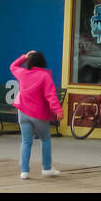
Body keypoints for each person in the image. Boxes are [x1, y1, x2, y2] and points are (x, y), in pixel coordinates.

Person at [10, 50, 63, 179]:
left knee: (26, 141)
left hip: (22, 111)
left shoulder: (22, 73)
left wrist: (24, 56)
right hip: (38, 114)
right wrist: (58, 110)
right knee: (45, 139)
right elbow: (50, 95)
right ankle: (46, 168)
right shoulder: (44, 76)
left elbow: (13, 66)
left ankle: (24, 171)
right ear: (42, 62)